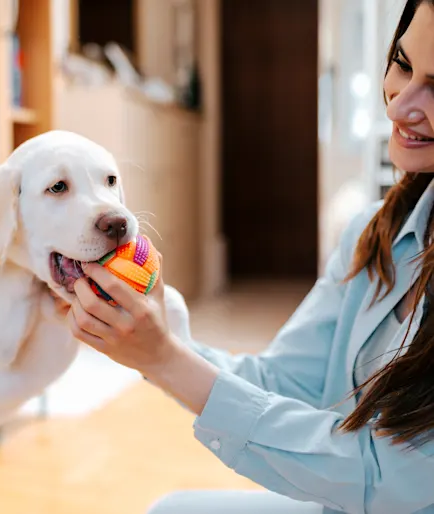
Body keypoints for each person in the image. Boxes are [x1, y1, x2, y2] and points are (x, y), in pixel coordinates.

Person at [66, 1, 434, 512]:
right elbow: (285, 383)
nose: (397, 107)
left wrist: (165, 359)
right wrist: (159, 334)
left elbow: (382, 477)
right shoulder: (374, 233)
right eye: (402, 63)